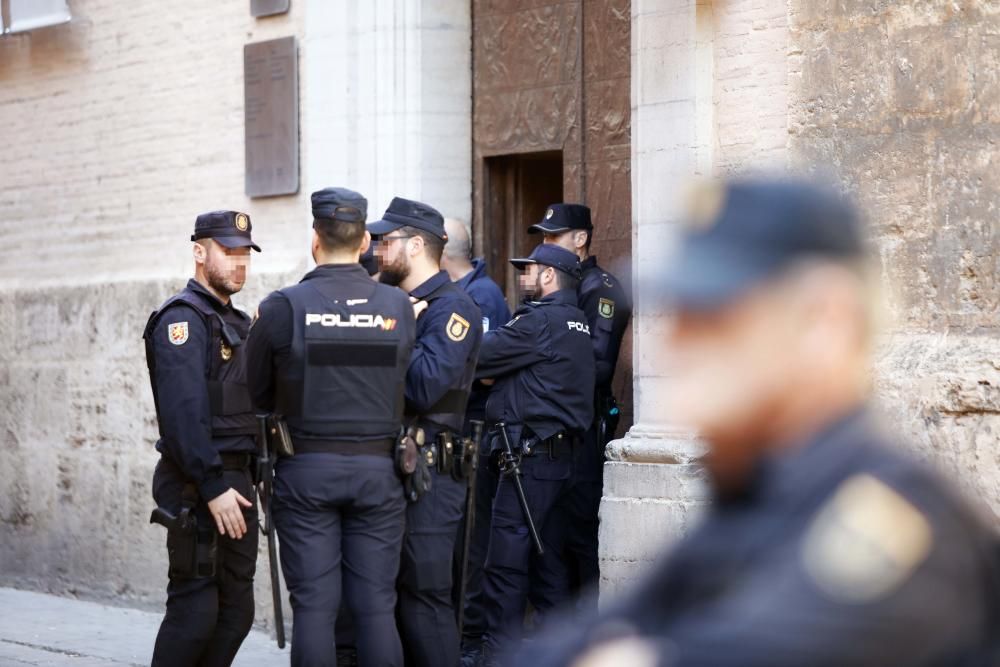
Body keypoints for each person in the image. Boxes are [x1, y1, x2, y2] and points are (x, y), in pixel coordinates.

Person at [517, 178, 1000, 667]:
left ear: (825, 323)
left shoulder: (896, 523)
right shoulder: (754, 497)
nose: (677, 340)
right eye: (679, 313)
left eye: (714, 314)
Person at [245, 187, 416, 667]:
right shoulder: (398, 307)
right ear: (364, 242)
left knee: (316, 610)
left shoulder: (284, 306)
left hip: (305, 470)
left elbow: (254, 389)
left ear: (314, 239)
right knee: (377, 608)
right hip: (379, 471)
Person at [368, 198, 484, 667]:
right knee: (388, 598)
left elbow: (422, 386)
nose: (377, 250)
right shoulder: (399, 305)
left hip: (433, 473)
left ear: (416, 246)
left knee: (425, 597)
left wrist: (399, 332)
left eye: (386, 241)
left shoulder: (452, 310)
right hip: (393, 468)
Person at [143, 210, 261, 667]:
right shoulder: (183, 320)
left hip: (238, 482)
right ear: (199, 252)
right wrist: (212, 486)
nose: (239, 263)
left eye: (244, 253)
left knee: (236, 611)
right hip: (199, 484)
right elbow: (183, 414)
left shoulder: (237, 321)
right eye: (227, 251)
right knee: (195, 610)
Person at [473, 243, 596, 665]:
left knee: (505, 563)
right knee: (548, 562)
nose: (522, 278)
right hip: (559, 460)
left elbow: (480, 357)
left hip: (529, 460)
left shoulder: (538, 321)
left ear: (548, 276)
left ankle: (498, 653)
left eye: (528, 270)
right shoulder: (577, 320)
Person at [530, 203, 631, 597]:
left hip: (583, 428)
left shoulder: (599, 288)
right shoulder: (555, 285)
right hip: (548, 430)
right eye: (543, 235)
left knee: (580, 533)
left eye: (553, 236)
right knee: (547, 533)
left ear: (581, 239)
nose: (545, 244)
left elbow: (598, 363)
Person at [440, 218, 512, 659]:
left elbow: (483, 372)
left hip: (475, 430)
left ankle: (470, 636)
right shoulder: (455, 292)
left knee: (471, 539)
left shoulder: (481, 295)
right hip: (456, 430)